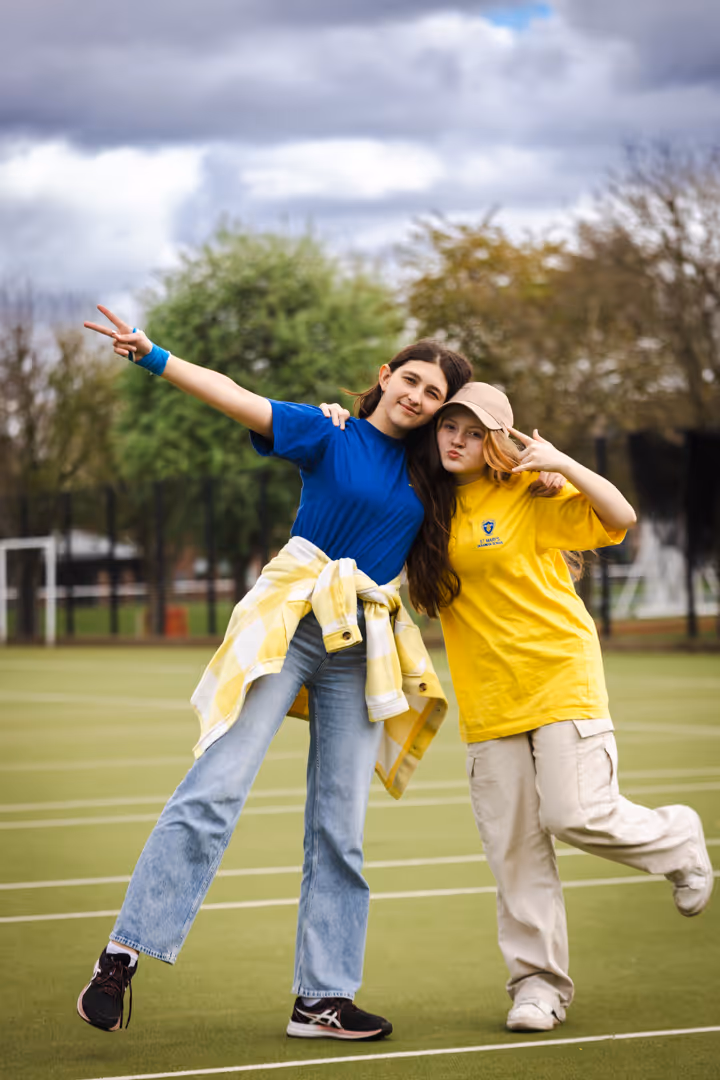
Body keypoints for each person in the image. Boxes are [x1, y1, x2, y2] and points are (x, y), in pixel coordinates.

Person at [76, 305, 473, 1040]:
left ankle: (321, 999)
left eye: (433, 395)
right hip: (293, 628)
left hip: (362, 649)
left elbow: (495, 463)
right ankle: (121, 954)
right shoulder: (329, 432)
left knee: (340, 828)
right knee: (217, 786)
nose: (418, 398)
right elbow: (235, 396)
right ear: (385, 378)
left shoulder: (438, 476)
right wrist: (154, 355)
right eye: (410, 380)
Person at [407, 381, 714, 1034]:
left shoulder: (529, 492)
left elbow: (621, 516)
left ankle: (678, 839)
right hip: (489, 699)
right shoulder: (423, 509)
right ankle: (538, 988)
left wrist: (564, 464)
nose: (456, 439)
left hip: (559, 677)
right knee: (514, 853)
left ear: (496, 439)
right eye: (447, 427)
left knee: (575, 814)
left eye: (472, 429)